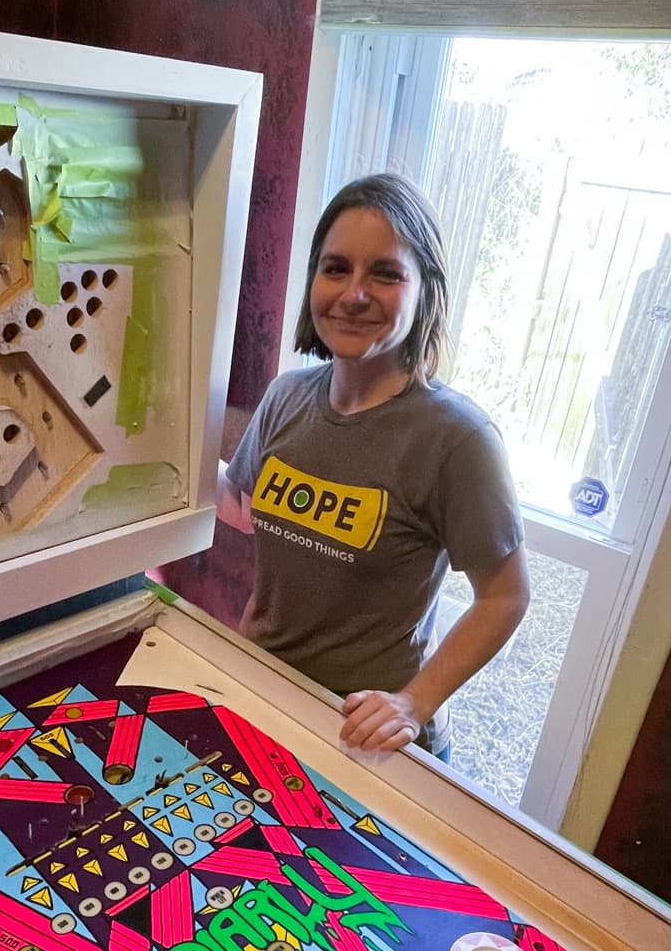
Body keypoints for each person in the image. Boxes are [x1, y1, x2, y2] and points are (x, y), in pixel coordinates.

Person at [217, 173, 529, 759]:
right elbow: (245, 510)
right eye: (336, 268)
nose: (354, 294)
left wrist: (415, 703)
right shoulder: (287, 396)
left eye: (384, 274)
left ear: (424, 291)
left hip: (363, 738)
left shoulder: (457, 439)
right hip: (268, 698)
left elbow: (505, 598)